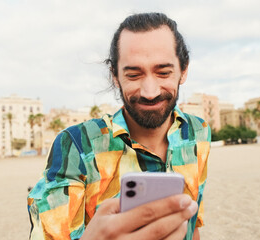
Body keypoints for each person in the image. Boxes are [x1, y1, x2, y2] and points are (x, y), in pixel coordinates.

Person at [28, 12, 211, 240]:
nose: (150, 92)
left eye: (163, 72)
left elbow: (194, 224)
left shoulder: (198, 132)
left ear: (183, 70)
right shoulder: (76, 146)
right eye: (134, 75)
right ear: (114, 75)